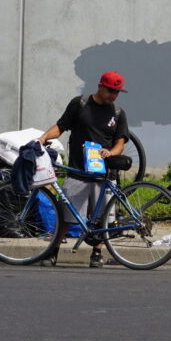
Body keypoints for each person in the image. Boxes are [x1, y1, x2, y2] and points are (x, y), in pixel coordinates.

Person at [36, 71, 129, 268]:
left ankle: (97, 253)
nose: (114, 95)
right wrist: (44, 137)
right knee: (66, 216)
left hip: (104, 174)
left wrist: (111, 153)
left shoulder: (118, 113)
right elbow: (61, 126)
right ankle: (53, 252)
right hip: (78, 171)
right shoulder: (80, 104)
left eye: (117, 92)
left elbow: (120, 143)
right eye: (111, 90)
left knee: (103, 218)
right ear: (100, 86)